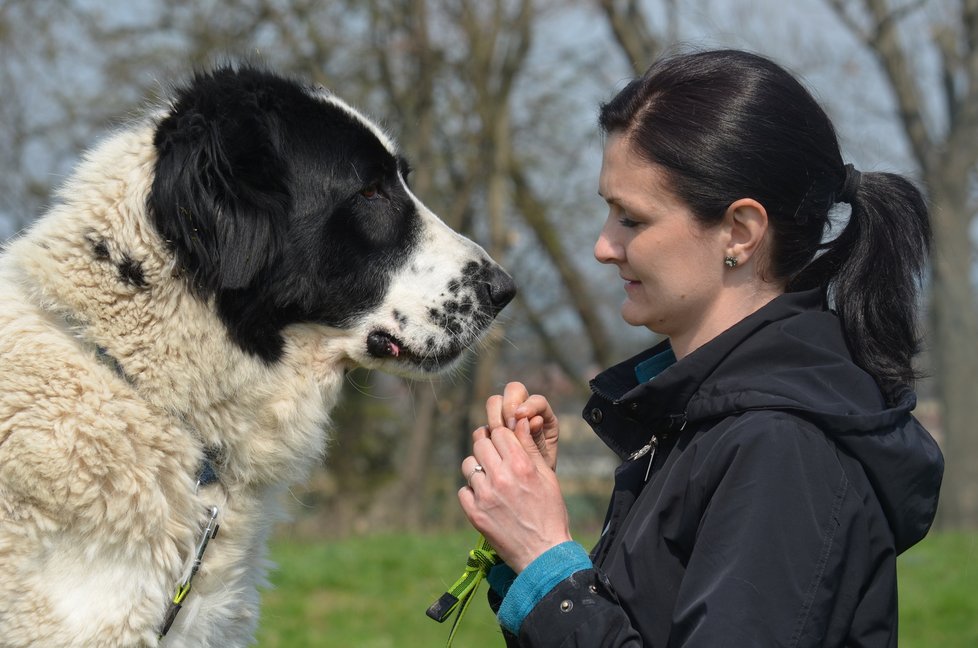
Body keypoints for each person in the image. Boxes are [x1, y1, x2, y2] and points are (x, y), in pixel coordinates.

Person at [457, 49, 944, 647]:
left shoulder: (783, 447)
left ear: (739, 231)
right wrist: (528, 559)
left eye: (631, 220)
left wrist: (547, 561)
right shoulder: (709, 421)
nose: (603, 247)